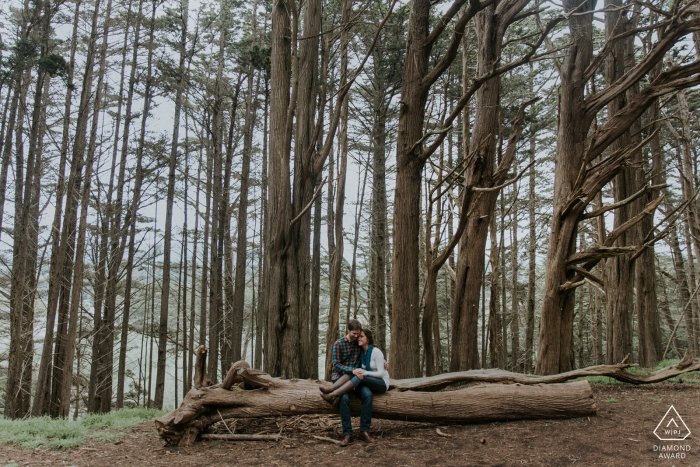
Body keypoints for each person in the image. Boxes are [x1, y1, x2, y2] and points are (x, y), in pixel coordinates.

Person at [320, 328, 389, 445]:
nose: (358, 338)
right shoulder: (360, 350)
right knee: (365, 395)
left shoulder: (375, 351)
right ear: (349, 331)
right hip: (360, 381)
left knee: (357, 373)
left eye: (361, 336)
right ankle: (348, 434)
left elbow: (380, 372)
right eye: (357, 335)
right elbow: (336, 363)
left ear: (368, 338)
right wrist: (358, 372)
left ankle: (333, 394)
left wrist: (367, 371)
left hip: (379, 381)